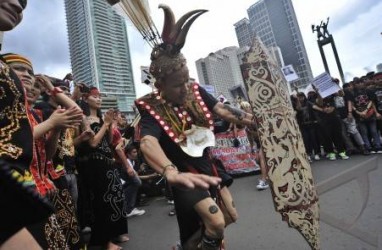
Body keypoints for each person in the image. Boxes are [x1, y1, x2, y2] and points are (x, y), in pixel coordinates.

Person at [133, 5, 257, 249]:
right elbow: (148, 142)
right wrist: (169, 171)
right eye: (178, 85)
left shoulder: (194, 90)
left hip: (209, 167)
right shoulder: (151, 108)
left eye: (186, 81)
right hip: (185, 174)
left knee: (230, 216)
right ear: (161, 85)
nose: (185, 88)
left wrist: (254, 120)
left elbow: (222, 110)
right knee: (216, 223)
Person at [80, 87, 127, 250]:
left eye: (100, 97)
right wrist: (106, 124)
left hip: (108, 162)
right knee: (102, 202)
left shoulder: (101, 119)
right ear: (86, 99)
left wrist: (109, 126)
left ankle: (116, 232)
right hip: (95, 165)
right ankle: (105, 241)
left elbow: (107, 141)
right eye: (95, 97)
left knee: (116, 196)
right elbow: (93, 143)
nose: (99, 99)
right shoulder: (84, 118)